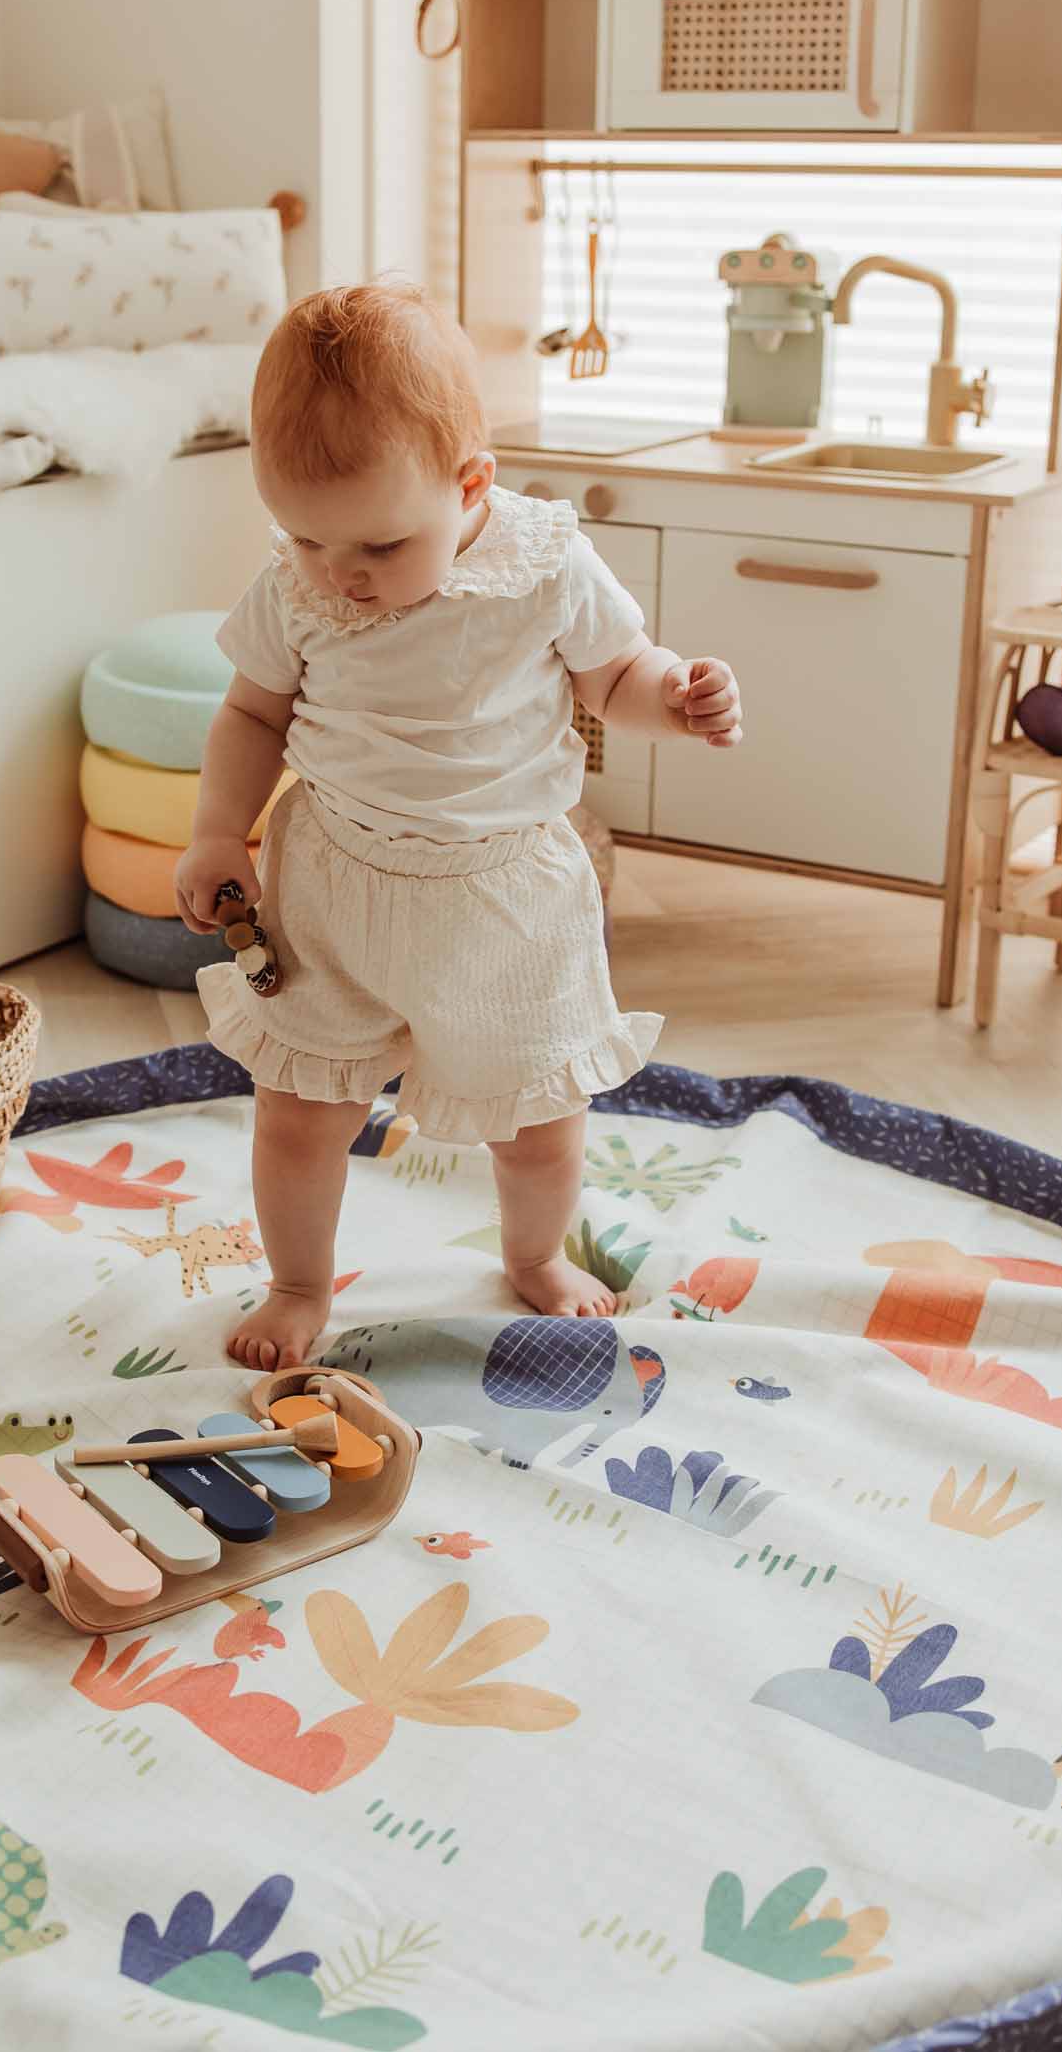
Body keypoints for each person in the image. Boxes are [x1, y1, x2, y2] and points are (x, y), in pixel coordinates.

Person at [175, 282, 742, 1369]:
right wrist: (215, 833)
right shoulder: (300, 587)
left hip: (505, 900)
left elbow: (615, 672)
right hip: (336, 887)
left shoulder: (544, 562)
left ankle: (535, 1255)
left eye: (380, 547)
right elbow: (253, 711)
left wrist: (670, 696)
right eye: (303, 536)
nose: (340, 573)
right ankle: (299, 1283)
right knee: (298, 1117)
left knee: (537, 1126)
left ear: (471, 484)